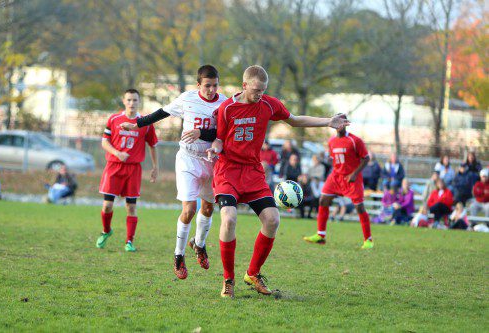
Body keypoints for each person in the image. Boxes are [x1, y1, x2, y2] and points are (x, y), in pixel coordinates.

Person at [206, 65, 348, 298]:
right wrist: (214, 149)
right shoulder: (227, 109)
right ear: (244, 86)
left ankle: (253, 273)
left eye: (263, 90)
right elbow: (219, 140)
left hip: (253, 172)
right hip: (228, 172)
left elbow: (294, 120)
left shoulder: (269, 104)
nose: (259, 94)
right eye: (255, 90)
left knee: (272, 219)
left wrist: (327, 122)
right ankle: (228, 279)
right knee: (229, 219)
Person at [121, 65, 227, 279]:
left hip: (211, 161)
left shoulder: (223, 103)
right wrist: (137, 124)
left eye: (215, 85)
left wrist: (202, 132)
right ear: (198, 85)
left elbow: (224, 131)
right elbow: (162, 112)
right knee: (188, 210)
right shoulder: (188, 98)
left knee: (208, 208)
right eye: (207, 86)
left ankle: (199, 244)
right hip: (188, 159)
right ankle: (178, 255)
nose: (211, 90)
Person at [96, 89, 159, 252]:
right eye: (129, 100)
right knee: (107, 205)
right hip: (114, 166)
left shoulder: (145, 123)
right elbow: (104, 142)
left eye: (135, 100)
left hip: (133, 169)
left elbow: (153, 145)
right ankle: (106, 231)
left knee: (131, 207)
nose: (132, 103)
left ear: (139, 102)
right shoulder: (114, 119)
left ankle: (129, 241)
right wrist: (117, 153)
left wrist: (155, 167)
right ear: (124, 101)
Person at [303, 114, 373, 249]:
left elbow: (366, 158)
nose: (339, 124)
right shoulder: (331, 141)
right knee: (323, 200)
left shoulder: (355, 140)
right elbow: (334, 159)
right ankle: (321, 236)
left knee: (359, 207)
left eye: (342, 122)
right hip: (336, 176)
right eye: (337, 121)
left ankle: (368, 240)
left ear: (346, 123)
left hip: (352, 178)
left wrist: (354, 173)